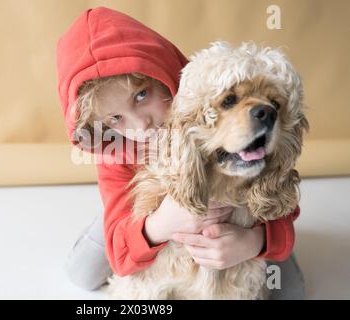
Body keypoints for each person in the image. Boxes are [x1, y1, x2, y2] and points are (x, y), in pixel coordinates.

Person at [56, 7, 305, 299]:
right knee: (82, 273)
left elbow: (283, 206)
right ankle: (114, 221)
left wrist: (254, 241)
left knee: (291, 291)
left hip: (242, 204)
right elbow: (122, 260)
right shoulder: (117, 154)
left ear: (164, 73)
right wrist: (161, 223)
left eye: (141, 95)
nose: (141, 124)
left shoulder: (209, 92)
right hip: (136, 211)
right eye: (115, 118)